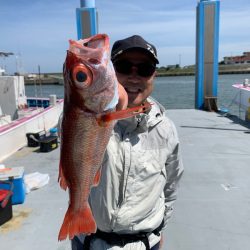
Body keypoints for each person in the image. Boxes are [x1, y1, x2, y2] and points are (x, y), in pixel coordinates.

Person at [71, 35, 184, 250]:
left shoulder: (167, 129)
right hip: (90, 242)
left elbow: (171, 184)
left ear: (154, 76)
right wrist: (84, 65)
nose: (134, 77)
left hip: (146, 244)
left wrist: (158, 229)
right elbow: (71, 119)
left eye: (145, 69)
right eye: (124, 66)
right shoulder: (89, 116)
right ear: (110, 72)